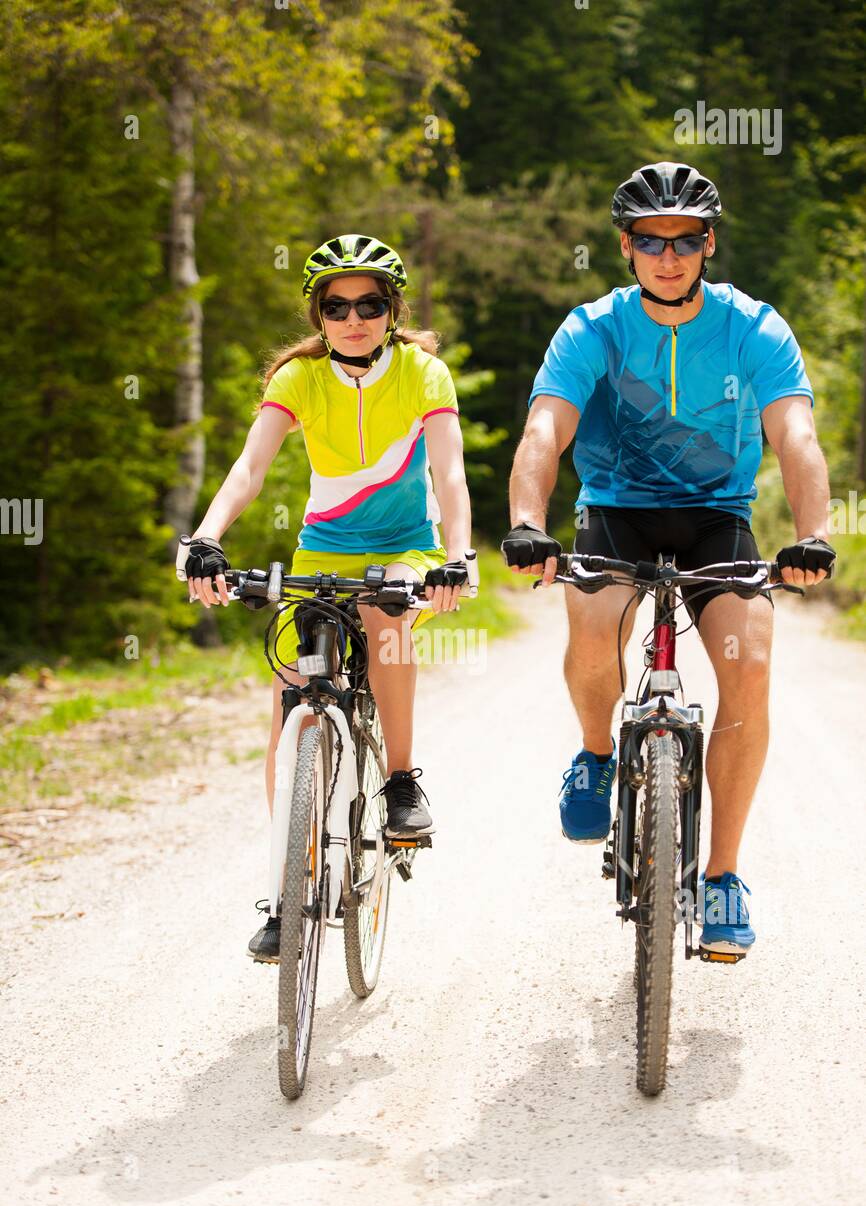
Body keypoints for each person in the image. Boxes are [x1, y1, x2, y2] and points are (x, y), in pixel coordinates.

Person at [501, 162, 835, 959]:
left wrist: (815, 533)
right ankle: (593, 752)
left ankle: (721, 875)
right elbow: (547, 430)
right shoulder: (594, 328)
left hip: (717, 517)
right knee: (591, 627)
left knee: (748, 662)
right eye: (650, 241)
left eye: (685, 240)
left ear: (708, 242)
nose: (668, 256)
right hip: (615, 510)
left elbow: (795, 435)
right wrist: (524, 521)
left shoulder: (754, 327)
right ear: (626, 247)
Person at [183, 233, 473, 961]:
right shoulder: (299, 379)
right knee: (289, 692)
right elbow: (250, 468)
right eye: (337, 306)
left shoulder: (423, 373)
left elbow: (451, 475)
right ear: (318, 314)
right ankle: (288, 890)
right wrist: (207, 536)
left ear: (391, 311)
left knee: (388, 619)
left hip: (406, 545)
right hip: (324, 548)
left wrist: (457, 557)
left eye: (370, 305)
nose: (354, 318)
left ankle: (402, 781)